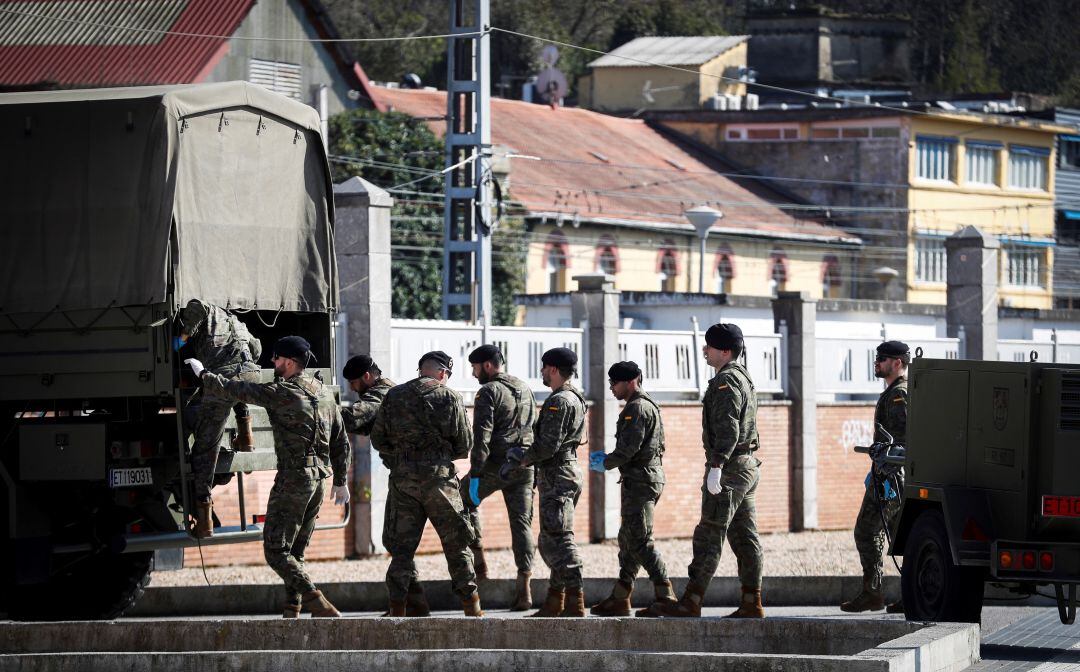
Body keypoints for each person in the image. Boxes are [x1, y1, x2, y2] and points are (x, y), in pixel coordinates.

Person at [186, 336, 350, 618]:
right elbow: (341, 441)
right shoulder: (323, 394)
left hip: (294, 479)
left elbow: (236, 389)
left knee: (275, 551)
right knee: (295, 552)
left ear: (288, 361)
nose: (272, 363)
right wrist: (341, 480)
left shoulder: (282, 392)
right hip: (319, 480)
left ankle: (316, 599)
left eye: (275, 359)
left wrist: (203, 375)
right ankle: (292, 608)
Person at [651, 323, 764, 619]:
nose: (705, 350)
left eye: (709, 346)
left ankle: (692, 599)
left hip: (729, 468)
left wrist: (716, 466)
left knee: (710, 533)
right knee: (744, 536)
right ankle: (752, 600)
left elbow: (729, 429)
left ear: (725, 350)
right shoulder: (742, 377)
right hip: (745, 466)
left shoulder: (726, 382)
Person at [370, 351, 483, 617]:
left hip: (403, 481)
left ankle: (397, 608)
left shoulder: (394, 396)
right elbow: (464, 444)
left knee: (401, 550)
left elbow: (378, 439)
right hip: (439, 481)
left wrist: (399, 462)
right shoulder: (450, 396)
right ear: (443, 373)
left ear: (422, 369)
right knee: (456, 543)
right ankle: (472, 606)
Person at [503, 347, 587, 617]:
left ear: (552, 369)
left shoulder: (558, 401)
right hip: (565, 471)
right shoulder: (575, 397)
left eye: (543, 367)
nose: (541, 372)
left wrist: (523, 458)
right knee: (552, 535)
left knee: (559, 539)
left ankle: (575, 600)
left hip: (557, 474)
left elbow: (548, 445)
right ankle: (555, 600)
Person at [588, 361, 674, 617]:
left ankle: (665, 594)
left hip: (641, 481)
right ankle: (621, 595)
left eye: (614, 383)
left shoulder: (636, 408)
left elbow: (628, 449)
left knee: (640, 539)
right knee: (628, 539)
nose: (612, 388)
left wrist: (606, 462)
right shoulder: (645, 405)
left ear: (629, 381)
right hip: (643, 478)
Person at [177, 299, 262, 538]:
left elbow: (197, 307)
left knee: (205, 449)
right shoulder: (237, 322)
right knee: (240, 385)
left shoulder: (204, 308)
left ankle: (204, 521)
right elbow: (257, 349)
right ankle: (246, 437)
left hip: (224, 379)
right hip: (251, 373)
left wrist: (182, 337)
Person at [462, 344, 538, 611]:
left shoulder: (488, 392)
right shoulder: (525, 387)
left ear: (487, 366)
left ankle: (479, 561)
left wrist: (476, 474)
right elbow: (534, 428)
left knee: (461, 501)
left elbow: (481, 437)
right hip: (525, 464)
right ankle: (524, 589)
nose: (473, 374)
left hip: (497, 464)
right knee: (522, 524)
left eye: (474, 367)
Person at [841, 340, 909, 614]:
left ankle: (872, 593)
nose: (878, 363)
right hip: (890, 474)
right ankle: (909, 594)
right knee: (898, 535)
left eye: (883, 359)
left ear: (897, 363)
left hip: (891, 477)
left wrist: (886, 455)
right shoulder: (895, 392)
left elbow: (905, 438)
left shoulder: (898, 395)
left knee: (866, 531)